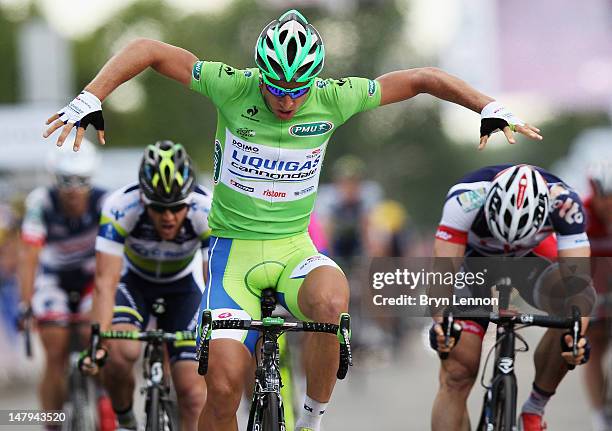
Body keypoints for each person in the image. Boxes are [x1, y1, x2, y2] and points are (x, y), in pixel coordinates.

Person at [43, 10, 542, 431]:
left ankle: (311, 418)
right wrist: (92, 95)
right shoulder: (232, 88)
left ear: (315, 79)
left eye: (297, 90)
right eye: (276, 88)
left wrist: (487, 106)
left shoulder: (333, 97)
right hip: (231, 255)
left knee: (332, 298)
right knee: (219, 386)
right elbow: (149, 48)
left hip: (292, 249)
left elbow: (421, 79)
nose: (286, 100)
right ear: (260, 73)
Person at [430, 164, 592, 431]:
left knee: (570, 315)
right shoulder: (466, 198)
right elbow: (443, 272)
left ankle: (534, 409)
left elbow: (580, 285)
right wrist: (441, 324)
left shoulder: (565, 203)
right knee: (457, 372)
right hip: (473, 264)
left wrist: (577, 337)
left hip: (528, 261)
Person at [82, 141, 211, 431]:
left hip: (183, 289)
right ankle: (126, 420)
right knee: (119, 354)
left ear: (189, 200)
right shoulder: (119, 206)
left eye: (177, 207)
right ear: (143, 200)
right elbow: (105, 281)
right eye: (158, 207)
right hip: (134, 284)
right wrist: (98, 341)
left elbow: (212, 279)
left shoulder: (206, 209)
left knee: (192, 392)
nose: (168, 216)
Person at [18, 140, 109, 429]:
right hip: (53, 279)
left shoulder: (105, 202)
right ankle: (53, 423)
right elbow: (29, 255)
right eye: (65, 181)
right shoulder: (40, 202)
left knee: (90, 335)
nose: (72, 190)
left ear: (91, 178)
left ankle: (104, 397)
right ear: (54, 179)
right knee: (54, 348)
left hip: (90, 279)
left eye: (81, 181)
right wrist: (25, 303)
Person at [582, 162, 612, 431]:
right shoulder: (583, 215)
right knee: (595, 345)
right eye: (607, 199)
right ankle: (599, 412)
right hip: (591, 282)